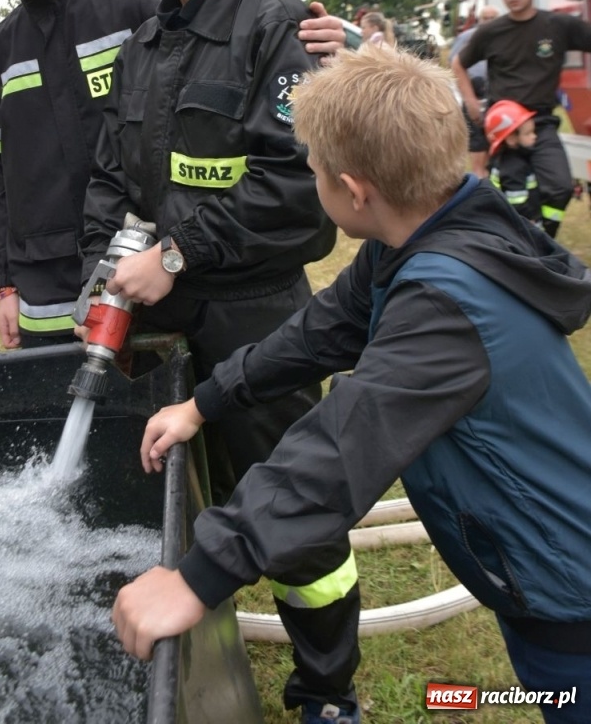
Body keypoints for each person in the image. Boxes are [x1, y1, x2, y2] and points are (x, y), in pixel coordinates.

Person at [113, 45, 591, 724]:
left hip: (567, 591)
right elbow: (318, 331)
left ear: (354, 190)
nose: (310, 180)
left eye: (311, 170)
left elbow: (344, 442)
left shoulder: (445, 302)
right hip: (533, 573)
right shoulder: (423, 235)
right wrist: (203, 402)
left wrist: (198, 576)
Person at [81, 0, 360, 722]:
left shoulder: (274, 29)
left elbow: (297, 196)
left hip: (255, 318)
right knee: (185, 498)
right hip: (164, 325)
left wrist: (172, 256)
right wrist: (110, 258)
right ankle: (210, 636)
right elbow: (111, 173)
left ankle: (324, 690)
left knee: (292, 508)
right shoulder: (144, 42)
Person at [0, 0, 345, 350]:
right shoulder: (0, 50)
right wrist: (9, 280)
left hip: (193, 278)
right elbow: (4, 178)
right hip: (92, 277)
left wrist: (326, 46)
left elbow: (293, 169)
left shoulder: (142, 15)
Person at [452, 0, 591, 236]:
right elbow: (458, 63)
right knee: (511, 193)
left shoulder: (557, 25)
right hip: (505, 129)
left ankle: (542, 238)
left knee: (560, 187)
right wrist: (470, 102)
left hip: (542, 124)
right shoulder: (491, 32)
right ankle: (523, 243)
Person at [449, 5, 499, 177]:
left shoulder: (505, 37)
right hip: (475, 97)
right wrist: (469, 99)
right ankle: (483, 186)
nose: (490, 22)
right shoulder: (466, 38)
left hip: (499, 99)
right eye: (486, 18)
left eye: (493, 18)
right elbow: (454, 65)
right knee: (479, 157)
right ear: (479, 20)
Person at [484, 99, 540, 224]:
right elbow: (517, 202)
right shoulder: (514, 167)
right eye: (528, 133)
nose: (534, 136)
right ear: (511, 139)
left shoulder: (504, 159)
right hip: (523, 225)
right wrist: (530, 221)